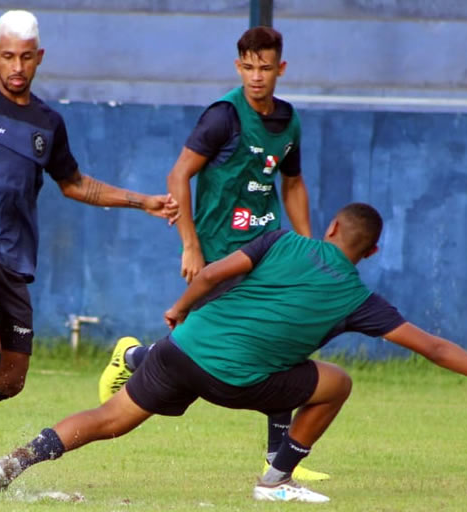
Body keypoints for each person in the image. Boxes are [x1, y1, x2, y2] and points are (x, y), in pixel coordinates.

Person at [0, 203, 467, 502]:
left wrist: (180, 309)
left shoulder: (281, 238)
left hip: (183, 346)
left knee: (112, 419)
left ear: (330, 227)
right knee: (335, 382)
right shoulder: (358, 296)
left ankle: (10, 463)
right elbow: (430, 346)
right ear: (372, 250)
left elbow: (211, 273)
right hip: (232, 380)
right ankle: (276, 479)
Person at [0, 10, 179, 488]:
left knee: (9, 380)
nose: (17, 67)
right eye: (7, 56)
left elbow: (75, 183)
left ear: (39, 57)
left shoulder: (48, 121)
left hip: (13, 261)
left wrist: (141, 201)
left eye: (26, 57)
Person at [97, 25, 325, 481]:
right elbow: (178, 175)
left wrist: (310, 249)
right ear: (238, 66)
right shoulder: (223, 116)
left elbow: (293, 183)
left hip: (267, 255)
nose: (257, 77)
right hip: (220, 257)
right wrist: (190, 244)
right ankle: (135, 357)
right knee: (200, 361)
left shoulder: (290, 121)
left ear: (280, 68)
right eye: (249, 67)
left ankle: (278, 464)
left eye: (265, 68)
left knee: (277, 347)